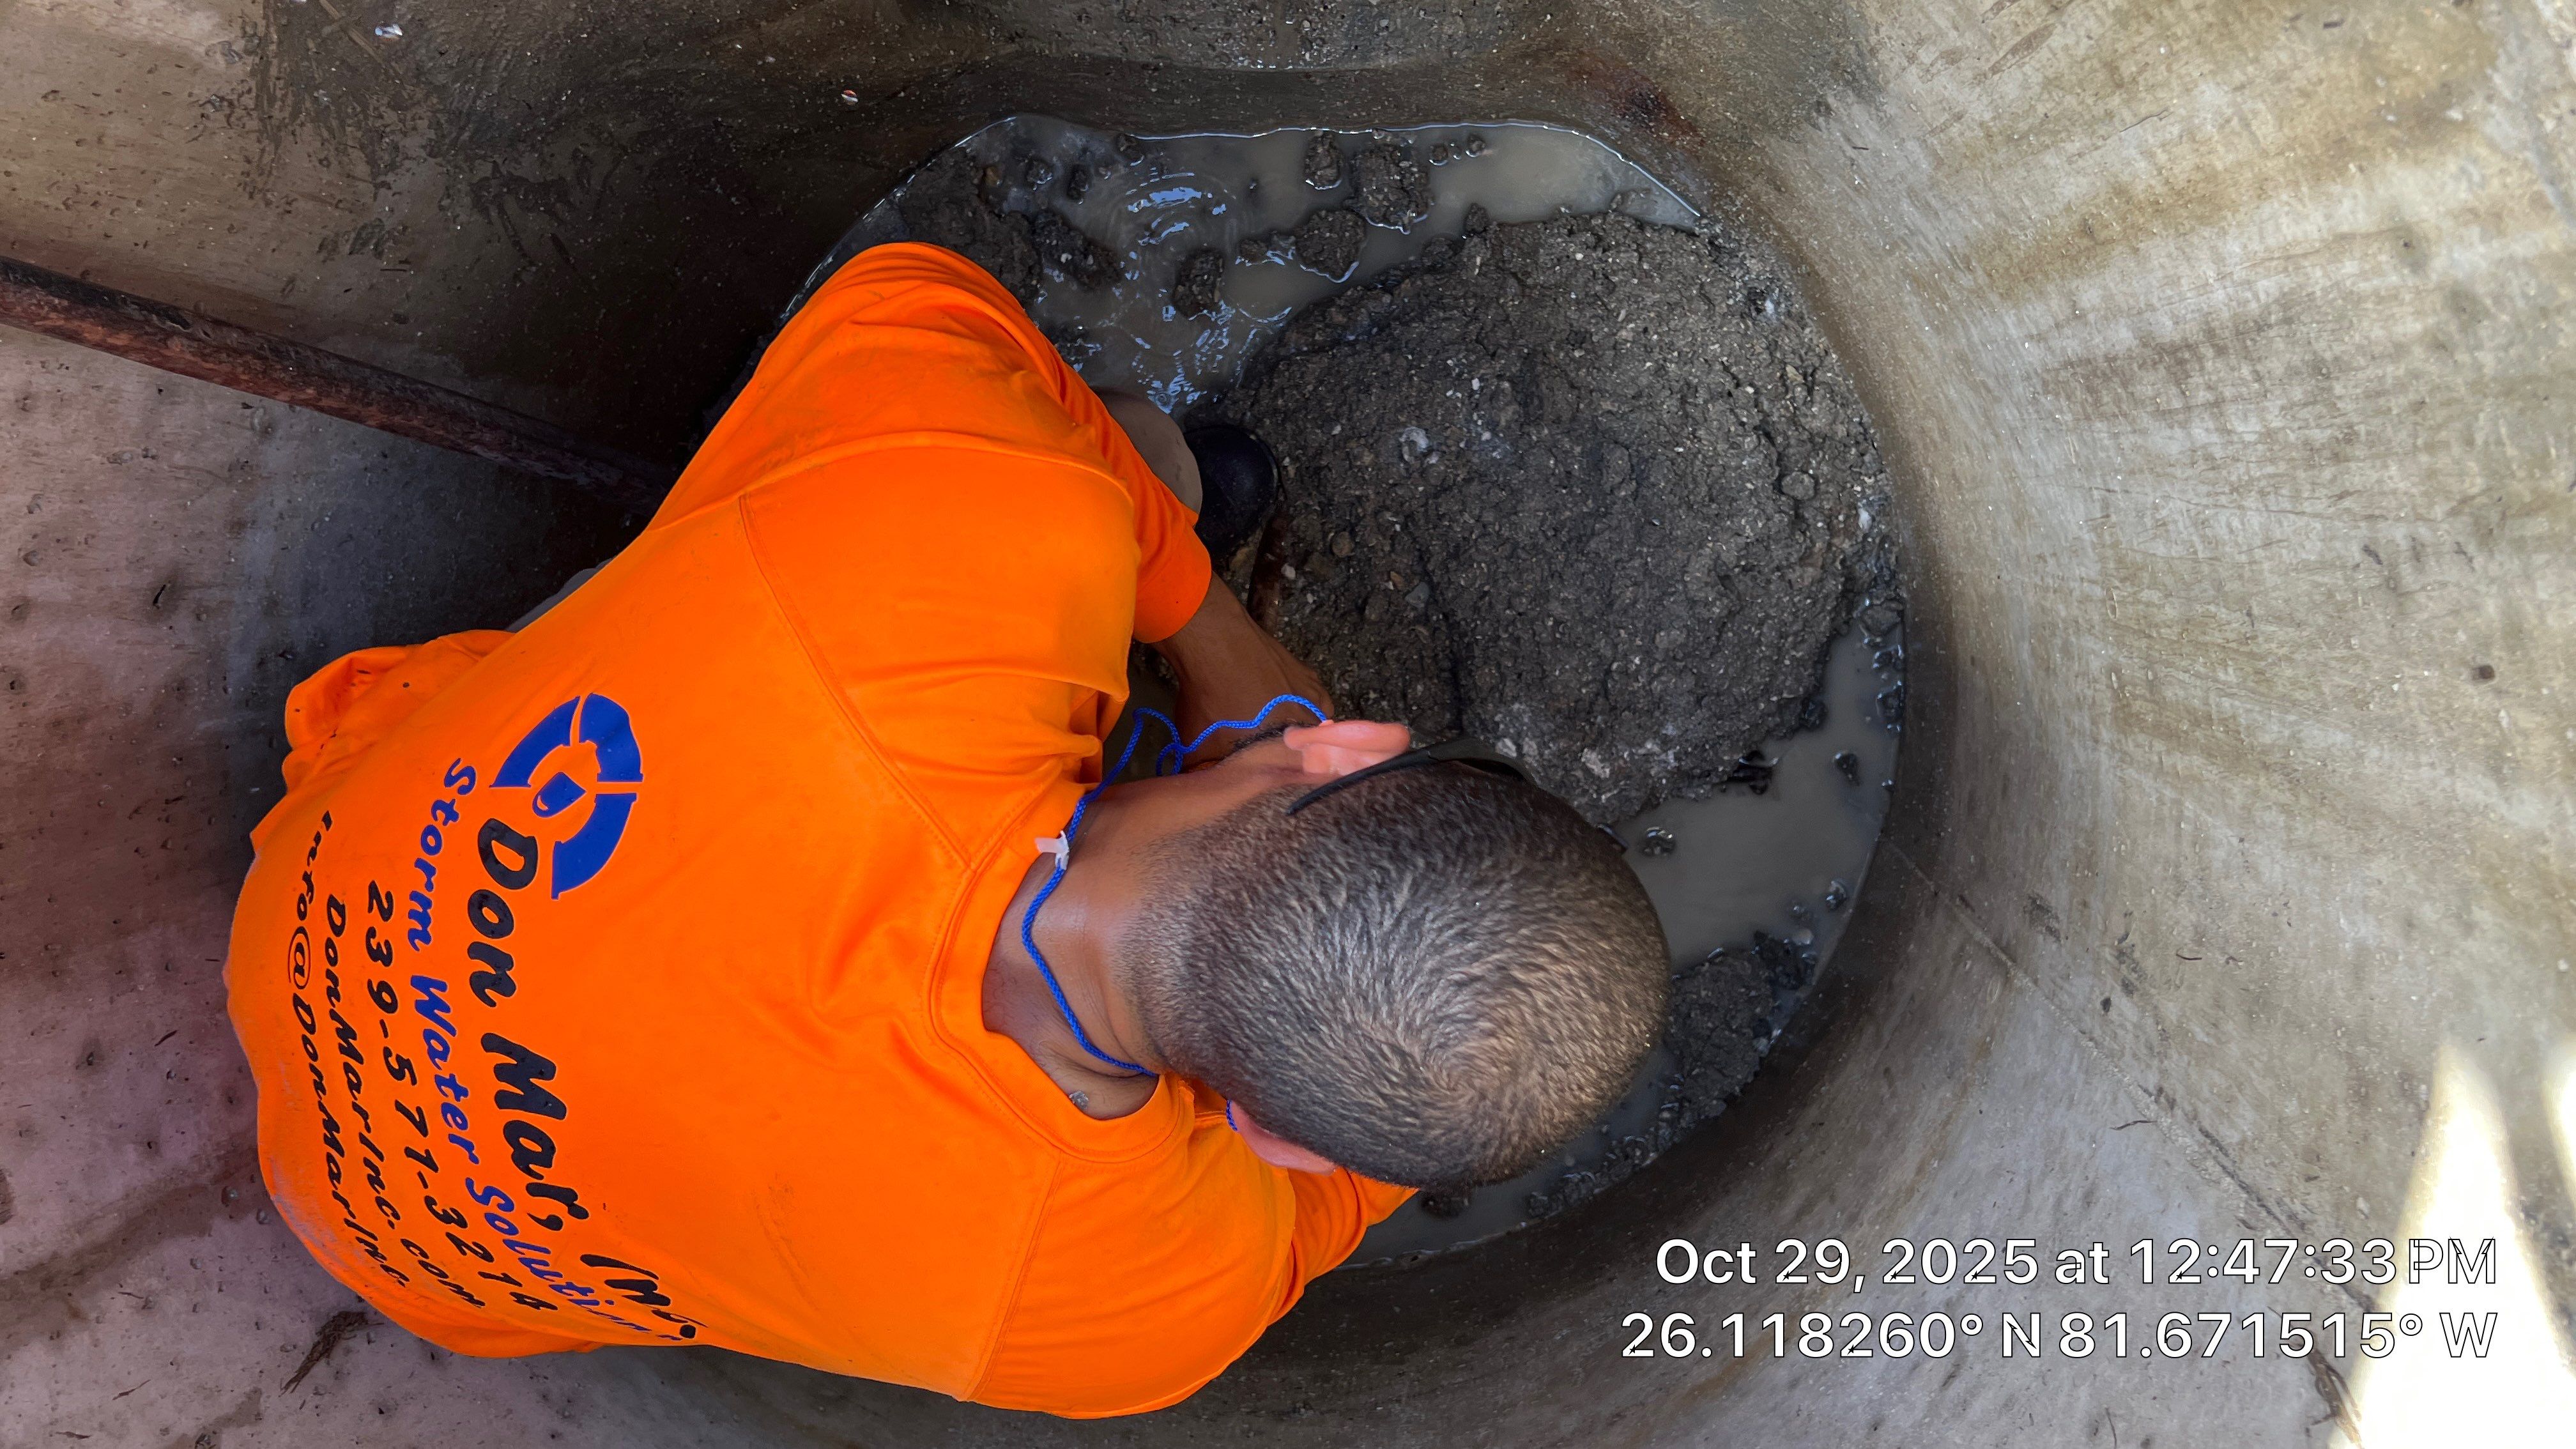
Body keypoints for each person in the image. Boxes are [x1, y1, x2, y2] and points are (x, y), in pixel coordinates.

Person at [222, 243, 1668, 1417]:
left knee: (1130, 469)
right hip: (407, 1250)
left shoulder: (966, 529)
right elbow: (1360, 1139)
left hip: (320, 892)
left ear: (1337, 747)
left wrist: (1208, 629)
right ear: (1267, 1137)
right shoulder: (1145, 1321)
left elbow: (911, 298)